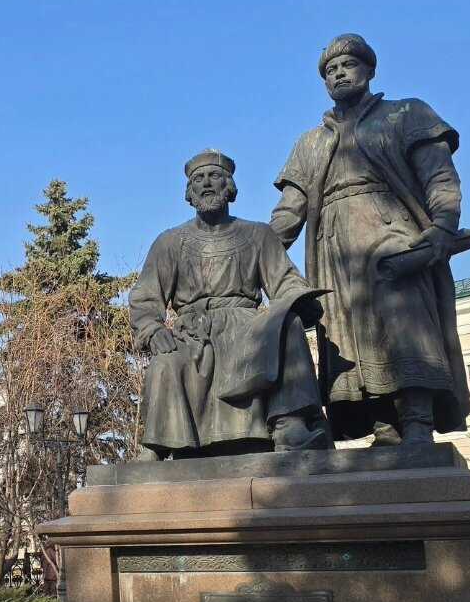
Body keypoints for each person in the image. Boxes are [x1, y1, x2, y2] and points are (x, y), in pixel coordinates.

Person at [270, 33, 470, 445]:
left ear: (369, 70)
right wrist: (255, 257)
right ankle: (384, 427)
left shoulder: (406, 114)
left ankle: (416, 420)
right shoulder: (310, 143)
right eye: (331, 70)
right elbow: (289, 212)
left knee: (401, 316)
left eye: (348, 65)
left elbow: (439, 177)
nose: (339, 73)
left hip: (393, 230)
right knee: (345, 331)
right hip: (335, 250)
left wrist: (442, 227)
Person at [130, 149, 328, 458]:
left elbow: (284, 279)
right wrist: (153, 330)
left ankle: (290, 424)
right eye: (198, 179)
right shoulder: (170, 241)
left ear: (230, 187)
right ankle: (158, 445)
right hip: (192, 333)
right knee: (167, 359)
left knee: (287, 323)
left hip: (247, 326)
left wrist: (299, 299)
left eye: (215, 176)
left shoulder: (258, 235)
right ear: (189, 192)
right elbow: (145, 297)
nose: (206, 183)